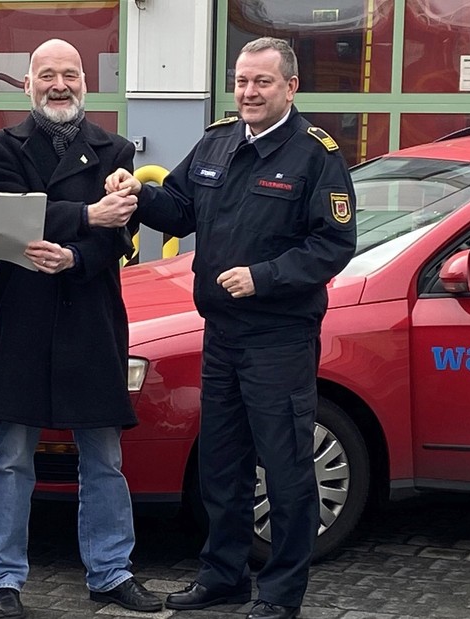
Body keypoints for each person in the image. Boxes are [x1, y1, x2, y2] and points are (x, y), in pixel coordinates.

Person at [106, 37, 357, 619]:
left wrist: (265, 276)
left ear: (290, 88)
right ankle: (223, 576)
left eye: (262, 83)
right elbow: (179, 206)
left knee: (286, 465)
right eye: (242, 81)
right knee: (222, 463)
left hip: (279, 338)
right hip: (219, 334)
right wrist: (137, 193)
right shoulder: (218, 140)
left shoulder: (315, 155)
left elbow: (334, 243)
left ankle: (280, 592)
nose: (249, 92)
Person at [0, 38, 160, 619]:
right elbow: (3, 219)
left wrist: (76, 255)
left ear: (86, 82)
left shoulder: (116, 149)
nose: (60, 84)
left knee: (103, 455)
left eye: (71, 74)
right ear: (28, 85)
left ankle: (111, 572)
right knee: (11, 456)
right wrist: (85, 215)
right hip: (25, 315)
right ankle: (4, 581)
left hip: (90, 316)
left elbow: (119, 236)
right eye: (47, 75)